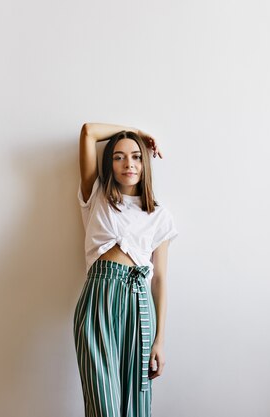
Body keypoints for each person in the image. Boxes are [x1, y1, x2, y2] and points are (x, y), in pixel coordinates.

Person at [73, 122, 178, 417]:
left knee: (135, 407)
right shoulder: (95, 195)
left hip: (139, 304)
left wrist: (159, 340)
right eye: (118, 156)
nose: (128, 163)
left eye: (135, 156)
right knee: (103, 407)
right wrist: (138, 132)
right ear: (109, 164)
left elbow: (159, 281)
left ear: (145, 164)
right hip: (98, 303)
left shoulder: (159, 215)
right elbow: (88, 132)